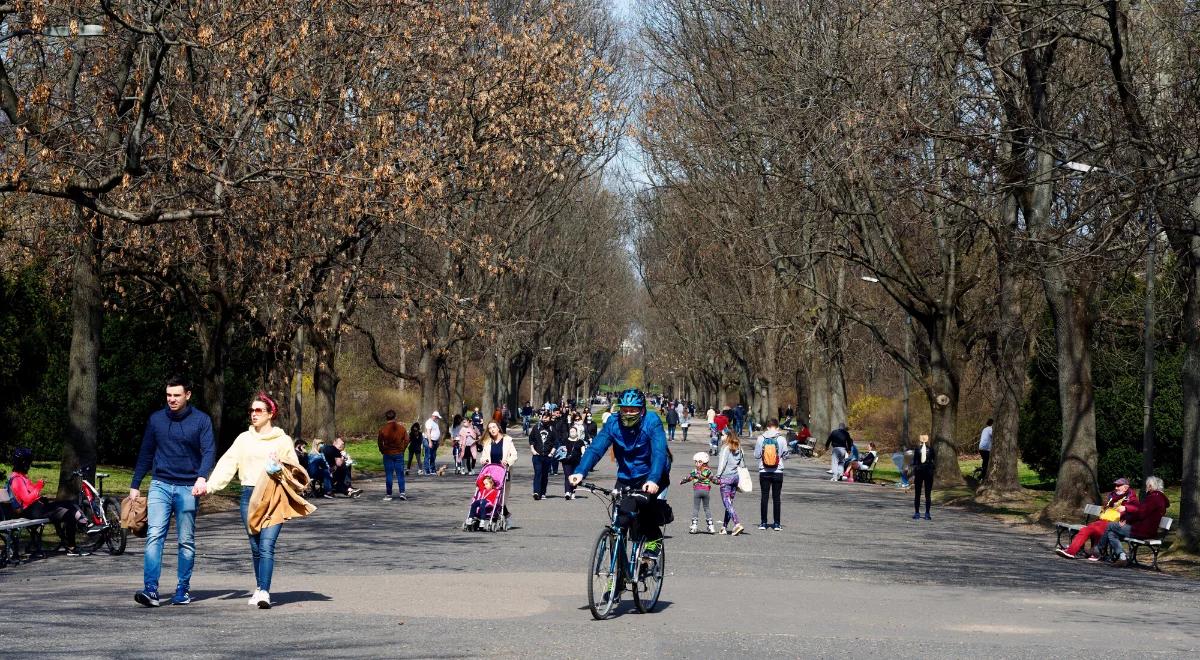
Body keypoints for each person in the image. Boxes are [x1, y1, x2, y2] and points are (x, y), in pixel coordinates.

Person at [207, 392, 312, 609]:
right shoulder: (243, 439)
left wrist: (279, 467)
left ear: (270, 414)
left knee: (266, 545)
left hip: (274, 495)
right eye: (251, 411)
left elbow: (293, 468)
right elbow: (228, 463)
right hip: (249, 496)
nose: (253, 415)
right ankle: (259, 586)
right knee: (255, 547)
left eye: (258, 411)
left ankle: (264, 591)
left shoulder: (282, 440)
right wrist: (209, 487)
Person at [130, 375, 216, 608]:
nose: (172, 399)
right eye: (168, 395)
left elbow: (209, 451)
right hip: (161, 484)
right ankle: (151, 590)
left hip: (189, 487)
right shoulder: (156, 420)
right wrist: (135, 484)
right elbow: (146, 452)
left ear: (187, 395)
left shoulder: (201, 420)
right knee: (154, 535)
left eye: (177, 395)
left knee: (185, 540)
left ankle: (182, 589)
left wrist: (202, 477)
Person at [569, 388, 670, 560]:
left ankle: (655, 539)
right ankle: (617, 578)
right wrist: (580, 471)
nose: (628, 413)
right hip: (626, 476)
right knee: (620, 522)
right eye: (625, 409)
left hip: (652, 473)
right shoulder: (613, 423)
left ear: (642, 410)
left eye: (633, 410)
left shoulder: (652, 421)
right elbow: (596, 448)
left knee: (645, 509)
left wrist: (653, 480)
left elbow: (659, 453)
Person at [7, 447, 89, 556]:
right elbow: (27, 499)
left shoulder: (22, 477)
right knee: (67, 506)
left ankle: (72, 546)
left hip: (36, 508)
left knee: (70, 512)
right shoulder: (17, 479)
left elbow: (31, 492)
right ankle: (83, 522)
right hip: (30, 511)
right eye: (28, 463)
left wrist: (37, 487)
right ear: (23, 463)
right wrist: (39, 486)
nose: (29, 466)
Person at [1057, 477, 1139, 560]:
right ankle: (1086, 552)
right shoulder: (1113, 496)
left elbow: (1136, 509)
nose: (1116, 488)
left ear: (1126, 487)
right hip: (1103, 521)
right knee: (1089, 529)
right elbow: (1107, 508)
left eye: (1118, 486)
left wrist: (1126, 509)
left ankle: (1072, 551)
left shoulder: (1131, 498)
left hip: (1113, 523)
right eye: (1116, 486)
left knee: (1087, 529)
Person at [1098, 476, 1169, 566]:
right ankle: (1122, 558)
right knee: (1112, 533)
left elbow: (1140, 513)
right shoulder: (1158, 498)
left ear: (1151, 486)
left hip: (1143, 531)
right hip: (1143, 529)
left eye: (1147, 485)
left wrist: (1126, 517)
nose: (1146, 487)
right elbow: (1141, 512)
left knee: (1111, 526)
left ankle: (1099, 549)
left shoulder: (1154, 498)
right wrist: (1127, 520)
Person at [754, 419, 786, 530]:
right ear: (777, 427)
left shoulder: (760, 438)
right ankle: (777, 524)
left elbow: (757, 455)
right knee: (776, 498)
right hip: (778, 471)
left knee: (764, 497)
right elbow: (785, 455)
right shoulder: (782, 439)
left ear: (767, 427)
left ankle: (763, 523)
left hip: (764, 471)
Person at [715, 430, 745, 535]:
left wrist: (717, 476)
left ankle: (737, 524)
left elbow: (722, 463)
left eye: (722, 435)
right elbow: (742, 464)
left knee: (726, 502)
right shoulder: (739, 447)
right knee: (729, 503)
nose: (721, 436)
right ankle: (724, 527)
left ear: (727, 436)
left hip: (726, 478)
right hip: (735, 478)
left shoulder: (725, 448)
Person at [681, 452, 717, 534]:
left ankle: (694, 526)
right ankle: (711, 526)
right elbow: (714, 480)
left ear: (700, 462)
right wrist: (720, 482)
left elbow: (688, 478)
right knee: (707, 508)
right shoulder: (709, 471)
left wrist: (682, 481)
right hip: (706, 491)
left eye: (697, 462)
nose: (696, 463)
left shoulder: (694, 471)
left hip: (697, 491)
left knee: (696, 508)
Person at [377, 409, 409, 501]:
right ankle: (402, 493)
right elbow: (407, 440)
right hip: (399, 453)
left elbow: (379, 441)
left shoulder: (383, 429)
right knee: (400, 474)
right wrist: (403, 449)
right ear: (395, 417)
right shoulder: (401, 428)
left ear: (386, 417)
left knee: (389, 474)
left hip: (387, 454)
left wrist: (382, 450)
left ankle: (389, 494)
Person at [529, 412, 556, 499]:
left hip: (547, 456)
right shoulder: (536, 427)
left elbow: (556, 442)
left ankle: (543, 492)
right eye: (544, 417)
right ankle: (536, 492)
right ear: (541, 418)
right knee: (538, 473)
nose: (545, 419)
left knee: (545, 475)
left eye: (547, 418)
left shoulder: (552, 429)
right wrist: (532, 450)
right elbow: (531, 439)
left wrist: (552, 452)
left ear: (550, 419)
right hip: (537, 455)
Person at [911, 434, 936, 520]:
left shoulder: (917, 449)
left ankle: (917, 513)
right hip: (929, 472)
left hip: (919, 472)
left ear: (920, 441)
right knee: (928, 494)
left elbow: (914, 462)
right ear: (927, 440)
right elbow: (933, 460)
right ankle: (927, 513)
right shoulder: (931, 449)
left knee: (917, 493)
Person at [560, 426, 586, 499]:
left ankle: (573, 491)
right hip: (566, 462)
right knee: (568, 476)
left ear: (576, 432)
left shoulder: (580, 441)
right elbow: (561, 450)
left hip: (577, 462)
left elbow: (583, 451)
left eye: (573, 431)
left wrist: (583, 457)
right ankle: (567, 492)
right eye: (571, 431)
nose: (572, 433)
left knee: (574, 477)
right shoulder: (565, 441)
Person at [423, 411, 443, 476]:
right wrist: (430, 442)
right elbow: (428, 432)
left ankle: (432, 469)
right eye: (437, 417)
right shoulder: (429, 422)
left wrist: (437, 441)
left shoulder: (435, 423)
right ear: (434, 416)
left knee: (433, 456)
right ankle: (427, 470)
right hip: (429, 440)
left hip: (435, 441)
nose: (438, 419)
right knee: (428, 456)